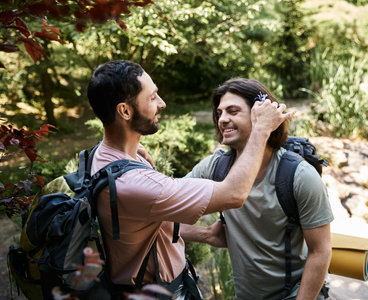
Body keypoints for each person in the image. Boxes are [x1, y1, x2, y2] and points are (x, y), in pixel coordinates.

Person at [86, 60, 292, 298]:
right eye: (152, 98)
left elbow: (153, 222)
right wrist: (261, 129)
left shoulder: (101, 157)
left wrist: (205, 235)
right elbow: (234, 193)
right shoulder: (136, 184)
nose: (162, 103)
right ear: (125, 111)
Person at [181, 78, 334, 300]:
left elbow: (320, 251)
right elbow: (163, 210)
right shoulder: (216, 167)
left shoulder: (298, 176)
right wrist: (205, 234)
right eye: (220, 112)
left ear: (260, 116)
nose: (223, 119)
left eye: (233, 111)